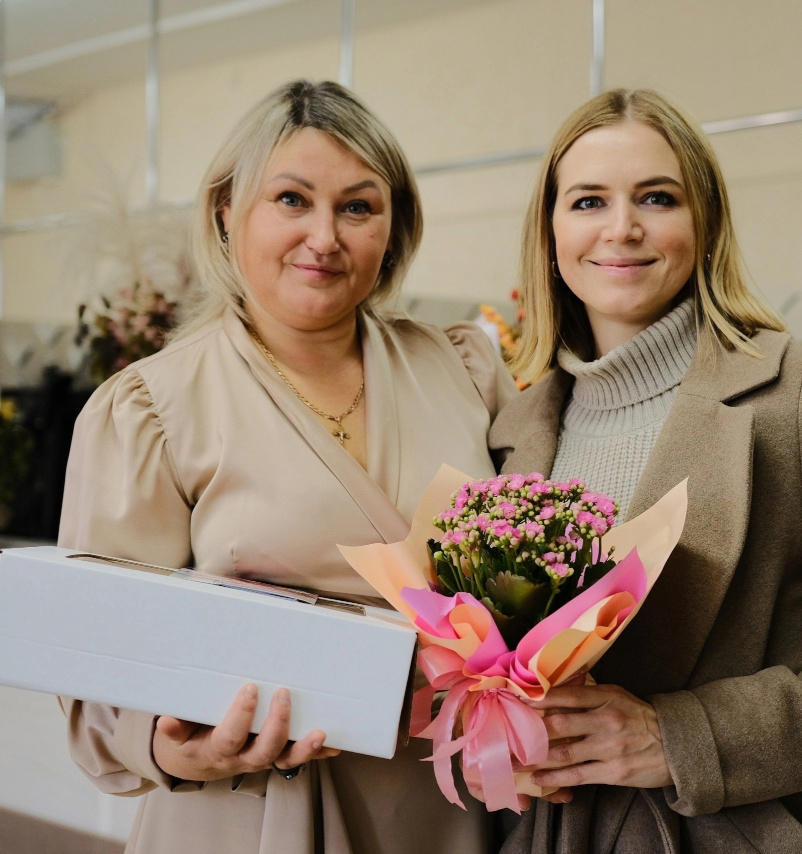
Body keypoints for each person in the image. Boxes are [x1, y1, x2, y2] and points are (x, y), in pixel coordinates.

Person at [488, 89, 802, 854]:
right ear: (551, 232)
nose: (621, 228)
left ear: (706, 222)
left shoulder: (800, 391)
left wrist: (686, 739)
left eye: (657, 198)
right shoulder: (517, 426)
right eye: (588, 201)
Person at [58, 80, 515, 854]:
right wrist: (171, 746)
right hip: (256, 806)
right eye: (292, 200)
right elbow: (94, 654)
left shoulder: (465, 369)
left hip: (449, 801)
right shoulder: (151, 408)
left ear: (394, 227)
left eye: (358, 207)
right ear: (227, 211)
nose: (324, 237)